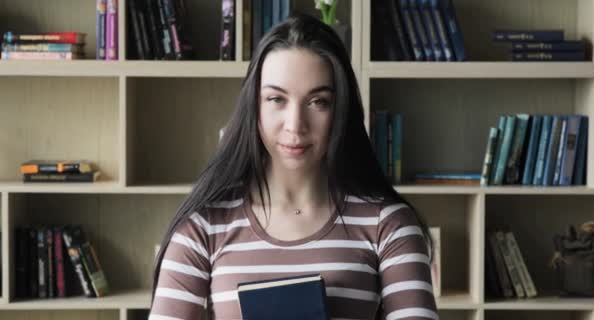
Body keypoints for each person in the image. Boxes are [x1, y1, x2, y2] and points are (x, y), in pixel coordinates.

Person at [149, 13, 438, 320]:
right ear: (254, 106)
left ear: (340, 110)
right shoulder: (202, 228)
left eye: (318, 102)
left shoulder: (388, 225)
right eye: (276, 99)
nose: (295, 125)